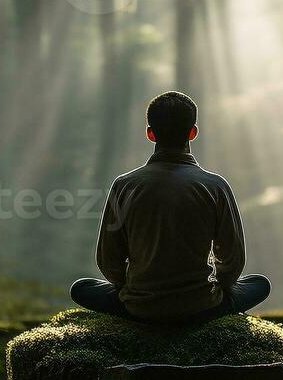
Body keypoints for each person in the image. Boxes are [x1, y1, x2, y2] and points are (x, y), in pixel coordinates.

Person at [71, 91, 271, 324]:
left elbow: (108, 262)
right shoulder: (216, 186)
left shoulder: (124, 186)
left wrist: (135, 288)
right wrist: (218, 286)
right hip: (201, 307)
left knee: (82, 288)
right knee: (259, 284)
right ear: (193, 132)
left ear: (150, 134)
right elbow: (233, 261)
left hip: (140, 307)